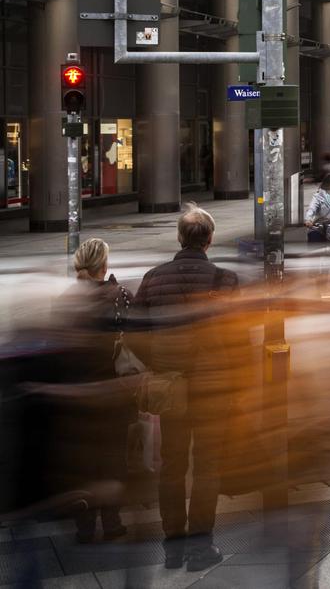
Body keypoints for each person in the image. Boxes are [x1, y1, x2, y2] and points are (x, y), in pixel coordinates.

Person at [133, 204, 239, 572]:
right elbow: (237, 335)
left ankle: (173, 548)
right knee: (207, 467)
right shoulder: (225, 280)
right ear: (209, 240)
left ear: (179, 237)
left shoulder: (153, 277)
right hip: (213, 388)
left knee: (172, 466)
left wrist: (158, 363)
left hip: (170, 387)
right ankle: (199, 548)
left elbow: (134, 333)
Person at [57, 238, 133, 545]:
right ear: (104, 265)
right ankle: (112, 522)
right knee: (114, 459)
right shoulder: (120, 296)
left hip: (77, 395)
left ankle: (84, 527)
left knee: (82, 463)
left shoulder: (65, 300)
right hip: (113, 391)